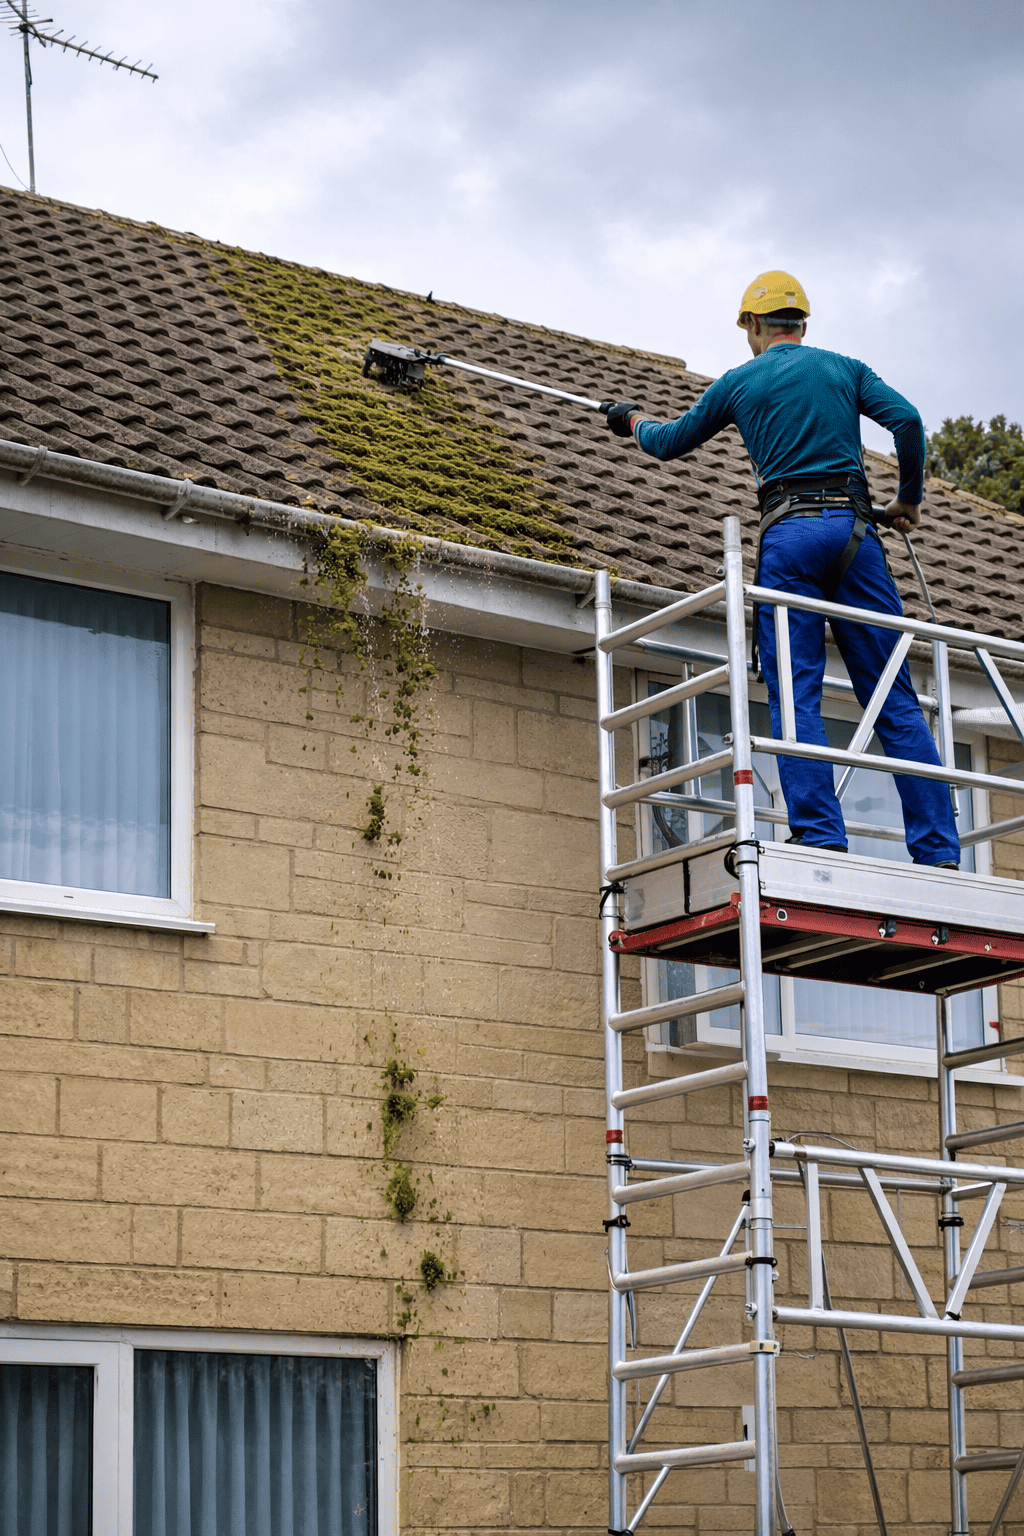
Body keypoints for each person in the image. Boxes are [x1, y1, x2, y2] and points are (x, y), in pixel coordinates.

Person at [603, 269, 959, 868]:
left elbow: (667, 442)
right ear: (803, 325)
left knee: (796, 695)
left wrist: (630, 418)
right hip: (855, 535)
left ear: (753, 324)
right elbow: (908, 421)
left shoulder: (741, 382)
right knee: (892, 696)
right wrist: (909, 500)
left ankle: (820, 835)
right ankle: (939, 850)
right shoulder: (845, 370)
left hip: (790, 537)